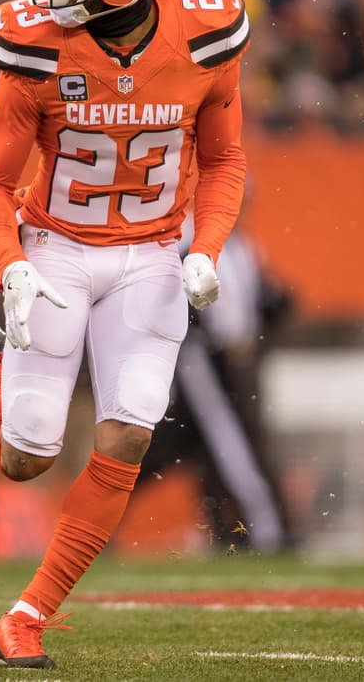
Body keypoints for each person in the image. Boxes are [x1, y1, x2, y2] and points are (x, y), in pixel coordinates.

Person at [0, 0, 248, 668]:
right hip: (58, 249)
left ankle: (27, 616)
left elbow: (224, 159)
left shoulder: (206, 35)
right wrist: (8, 266)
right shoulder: (35, 44)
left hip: (150, 256)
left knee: (129, 430)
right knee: (26, 455)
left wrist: (204, 247)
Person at [138, 221, 292, 552]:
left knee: (191, 445)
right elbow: (168, 300)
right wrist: (204, 337)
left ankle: (236, 531)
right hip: (203, 358)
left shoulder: (243, 245)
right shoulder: (189, 241)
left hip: (237, 360)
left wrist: (273, 308)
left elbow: (261, 298)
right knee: (229, 440)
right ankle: (266, 529)